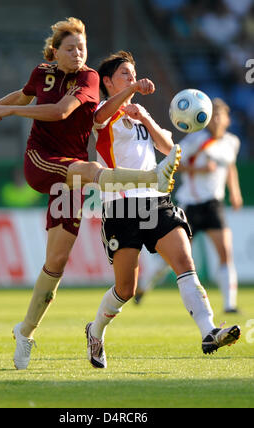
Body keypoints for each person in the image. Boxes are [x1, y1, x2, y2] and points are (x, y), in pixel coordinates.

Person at [0, 18, 180, 370]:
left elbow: (61, 110)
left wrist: (12, 110)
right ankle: (151, 177)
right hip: (42, 161)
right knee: (90, 172)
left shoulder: (89, 78)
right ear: (54, 52)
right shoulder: (41, 72)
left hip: (71, 172)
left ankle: (25, 331)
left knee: (56, 263)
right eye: (71, 48)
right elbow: (23, 93)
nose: (79, 54)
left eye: (83, 48)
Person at [85, 51, 240, 369]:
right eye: (125, 74)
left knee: (184, 261)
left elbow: (170, 150)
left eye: (133, 73)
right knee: (125, 289)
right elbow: (98, 120)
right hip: (121, 206)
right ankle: (96, 330)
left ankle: (208, 331)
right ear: (108, 81)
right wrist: (132, 91)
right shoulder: (103, 111)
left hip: (156, 199)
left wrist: (145, 117)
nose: (131, 77)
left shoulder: (137, 112)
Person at [135, 98, 243, 314]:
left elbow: (230, 167)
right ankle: (144, 287)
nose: (216, 120)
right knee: (173, 257)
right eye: (212, 116)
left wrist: (236, 192)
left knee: (225, 253)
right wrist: (199, 170)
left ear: (227, 120)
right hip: (190, 205)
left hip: (214, 204)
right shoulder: (196, 140)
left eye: (220, 116)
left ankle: (229, 305)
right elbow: (173, 161)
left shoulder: (232, 142)